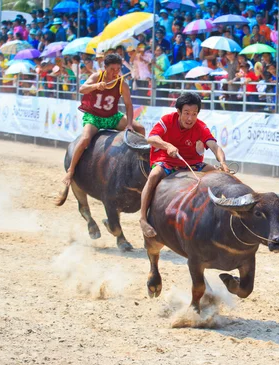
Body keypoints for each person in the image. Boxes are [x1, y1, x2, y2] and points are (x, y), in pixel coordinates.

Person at [139, 92, 230, 237]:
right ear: (179, 112)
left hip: (192, 164)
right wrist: (167, 145)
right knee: (154, 175)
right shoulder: (168, 120)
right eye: (186, 113)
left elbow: (214, 146)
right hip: (167, 161)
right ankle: (143, 218)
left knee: (221, 178)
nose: (190, 118)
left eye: (194, 114)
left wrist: (223, 163)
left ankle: (226, 217)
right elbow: (151, 139)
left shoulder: (200, 126)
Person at [62, 54, 145, 186]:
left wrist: (129, 124)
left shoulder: (121, 84)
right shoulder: (97, 76)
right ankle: (70, 170)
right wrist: (96, 86)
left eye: (118, 69)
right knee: (84, 139)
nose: (115, 72)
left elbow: (129, 105)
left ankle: (140, 161)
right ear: (105, 67)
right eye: (112, 69)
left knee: (140, 128)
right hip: (94, 116)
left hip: (112, 116)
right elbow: (82, 89)